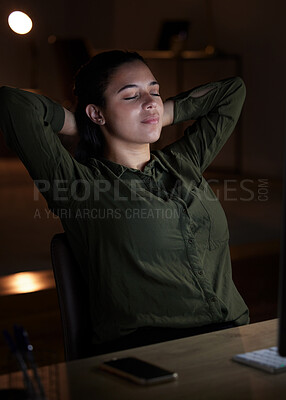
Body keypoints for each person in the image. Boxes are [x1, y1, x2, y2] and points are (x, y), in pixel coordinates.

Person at [0, 50, 249, 353]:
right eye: (131, 96)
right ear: (97, 112)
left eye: (154, 91)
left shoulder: (183, 162)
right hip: (152, 351)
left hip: (233, 337)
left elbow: (232, 91)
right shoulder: (78, 186)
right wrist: (83, 122)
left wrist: (158, 113)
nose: (150, 101)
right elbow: (12, 104)